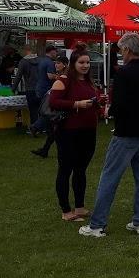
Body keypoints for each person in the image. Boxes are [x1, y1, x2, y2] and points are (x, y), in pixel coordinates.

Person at [79, 33, 139, 237]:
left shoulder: (124, 73)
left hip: (127, 133)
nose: (121, 53)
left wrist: (111, 112)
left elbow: (119, 104)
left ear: (127, 50)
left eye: (121, 50)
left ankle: (97, 225)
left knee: (110, 177)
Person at [48, 50, 99, 222]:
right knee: (65, 169)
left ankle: (79, 207)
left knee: (80, 170)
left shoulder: (89, 81)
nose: (85, 66)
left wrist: (99, 103)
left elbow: (92, 101)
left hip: (88, 131)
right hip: (68, 131)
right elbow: (53, 102)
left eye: (87, 62)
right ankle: (66, 210)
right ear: (73, 64)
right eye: (81, 62)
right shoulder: (63, 80)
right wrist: (77, 104)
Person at [31, 56, 69, 158]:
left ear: (64, 65)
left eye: (58, 63)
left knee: (56, 130)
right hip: (55, 106)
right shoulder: (60, 75)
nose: (56, 65)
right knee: (53, 131)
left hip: (59, 107)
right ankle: (45, 150)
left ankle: (36, 129)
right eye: (55, 63)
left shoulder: (65, 77)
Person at [12, 44, 41, 127]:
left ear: (25, 51)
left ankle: (34, 128)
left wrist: (13, 89)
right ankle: (42, 128)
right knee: (41, 110)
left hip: (30, 89)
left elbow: (18, 77)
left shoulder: (23, 62)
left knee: (33, 110)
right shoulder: (40, 60)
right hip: (41, 89)